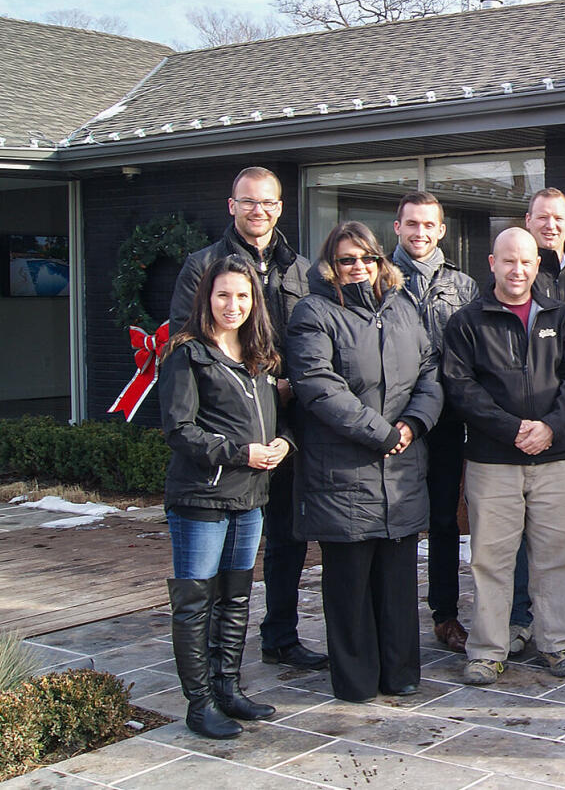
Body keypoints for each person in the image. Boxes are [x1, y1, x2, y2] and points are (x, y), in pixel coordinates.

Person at [169, 166, 323, 671]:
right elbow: (188, 346)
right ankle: (211, 664)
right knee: (221, 557)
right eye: (249, 201)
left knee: (287, 536)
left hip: (285, 422)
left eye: (268, 202)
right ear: (232, 205)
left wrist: (292, 389)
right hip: (227, 430)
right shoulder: (202, 265)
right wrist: (255, 386)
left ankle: (280, 634)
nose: (259, 210)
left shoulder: (302, 270)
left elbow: (314, 339)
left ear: (280, 208)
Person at [286, 222, 442, 703]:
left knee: (397, 582)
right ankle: (355, 680)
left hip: (401, 468)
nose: (359, 267)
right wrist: (381, 433)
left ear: (380, 261)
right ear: (330, 265)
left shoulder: (403, 308)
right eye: (347, 259)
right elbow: (318, 385)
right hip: (344, 472)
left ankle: (399, 672)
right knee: (350, 586)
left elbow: (430, 371)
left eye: (367, 258)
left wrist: (413, 424)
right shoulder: (313, 312)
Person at [442, 228, 565, 685]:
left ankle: (558, 643)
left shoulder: (561, 316)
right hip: (493, 461)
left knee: (560, 557)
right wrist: (512, 429)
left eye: (526, 261)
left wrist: (550, 427)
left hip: (555, 458)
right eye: (508, 261)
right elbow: (461, 388)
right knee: (491, 559)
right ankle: (487, 650)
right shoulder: (467, 322)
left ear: (537, 265)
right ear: (492, 263)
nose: (518, 270)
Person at [159, 254, 290, 739]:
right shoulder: (187, 353)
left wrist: (284, 442)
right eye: (222, 295)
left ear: (254, 300)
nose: (232, 305)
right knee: (195, 601)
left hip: (250, 498)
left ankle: (228, 688)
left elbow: (279, 417)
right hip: (202, 499)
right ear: (206, 298)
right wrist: (240, 453)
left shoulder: (260, 356)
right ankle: (200, 704)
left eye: (241, 295)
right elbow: (179, 429)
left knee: (235, 596)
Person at [505, 187, 565, 653]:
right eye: (541, 217)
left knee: (559, 525)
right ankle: (519, 614)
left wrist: (561, 418)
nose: (550, 225)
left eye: (558, 217)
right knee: (518, 525)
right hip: (518, 427)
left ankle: (558, 615)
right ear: (528, 221)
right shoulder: (515, 275)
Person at [390, 191, 481, 654]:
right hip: (393, 423)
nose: (420, 232)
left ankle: (445, 615)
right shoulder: (378, 279)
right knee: (395, 521)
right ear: (397, 227)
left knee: (444, 519)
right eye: (412, 224)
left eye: (429, 225)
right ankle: (393, 615)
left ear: (442, 230)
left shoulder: (463, 286)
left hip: (445, 421)